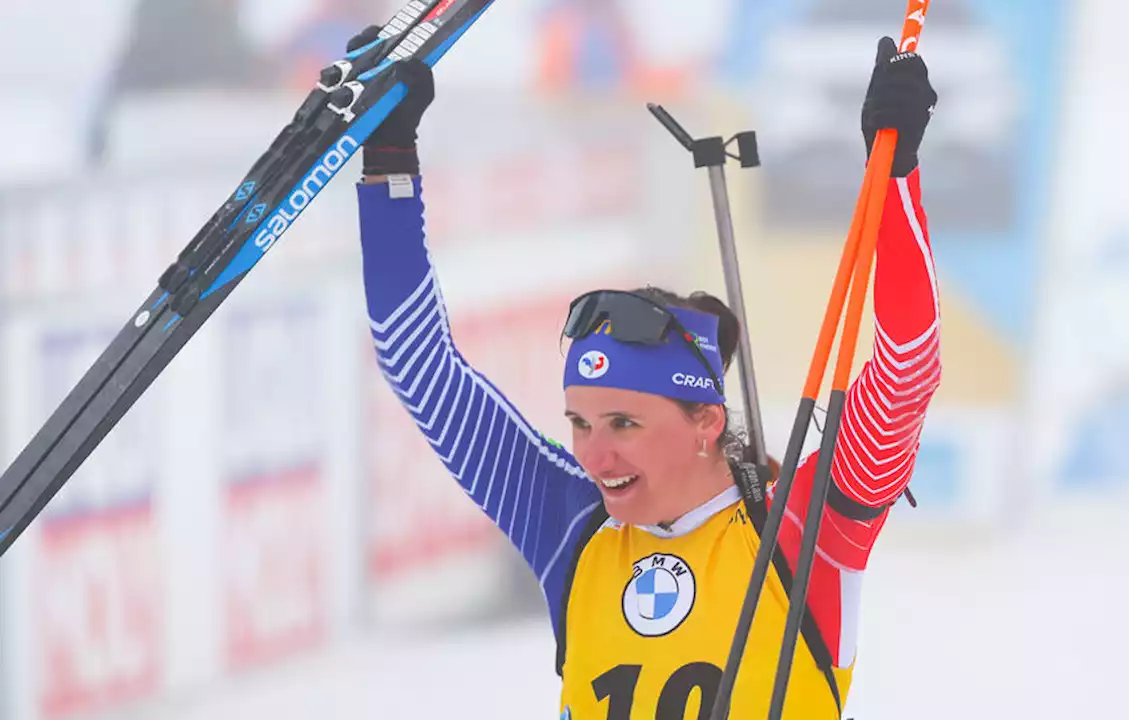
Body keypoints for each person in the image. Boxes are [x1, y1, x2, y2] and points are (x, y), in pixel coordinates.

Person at [354, 25, 941, 720]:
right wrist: (388, 157)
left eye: (625, 424)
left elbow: (907, 362)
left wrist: (898, 171)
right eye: (580, 422)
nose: (595, 456)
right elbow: (412, 358)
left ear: (706, 422)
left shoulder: (805, 528)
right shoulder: (571, 528)